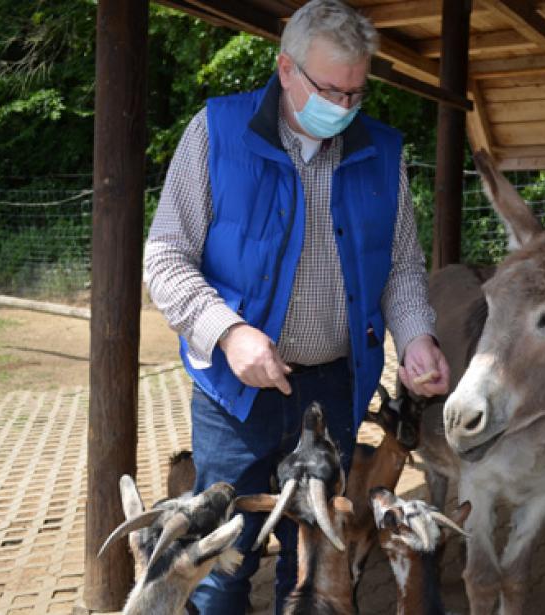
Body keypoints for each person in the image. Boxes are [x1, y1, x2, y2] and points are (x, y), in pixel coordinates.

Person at [143, 0, 451, 612]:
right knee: (222, 562)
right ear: (286, 69)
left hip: (335, 388)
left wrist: (417, 336)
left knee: (315, 557)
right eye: (330, 90)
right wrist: (229, 333)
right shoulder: (215, 132)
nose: (342, 108)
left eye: (356, 93)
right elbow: (165, 258)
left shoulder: (384, 154)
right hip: (235, 394)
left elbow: (401, 268)